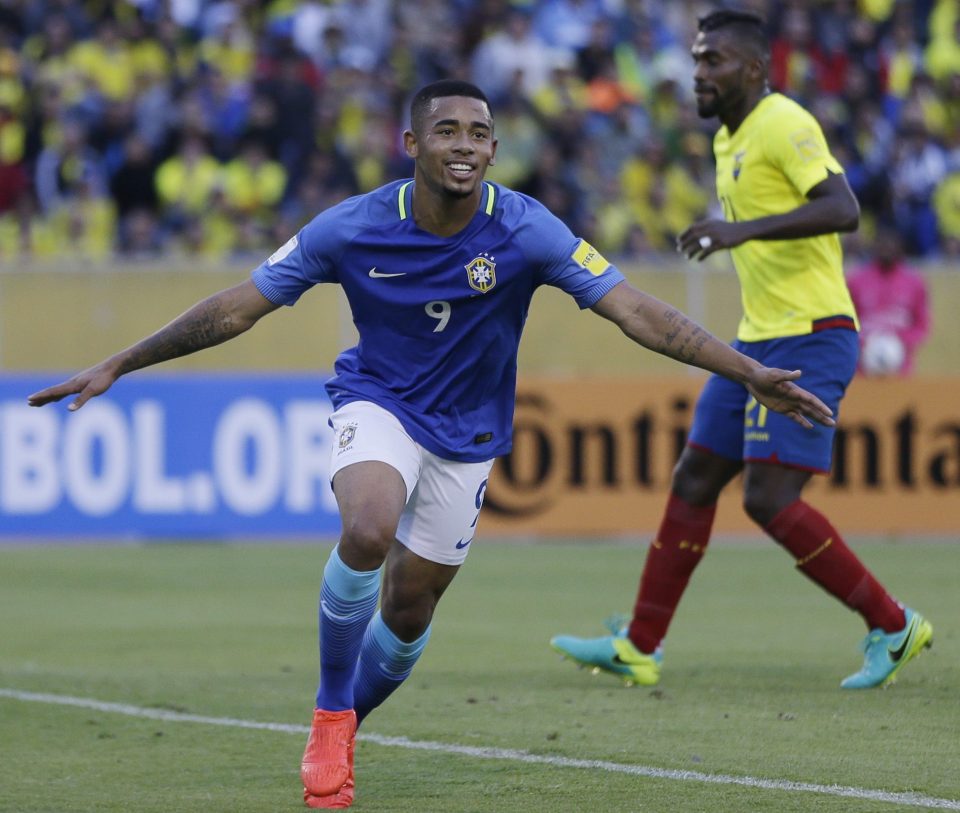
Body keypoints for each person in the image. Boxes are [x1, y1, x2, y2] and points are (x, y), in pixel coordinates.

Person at [28, 80, 835, 809]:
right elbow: (239, 307)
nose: (466, 145)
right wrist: (122, 361)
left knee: (409, 611)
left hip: (468, 435)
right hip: (378, 401)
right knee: (368, 526)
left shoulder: (525, 227)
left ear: (493, 148)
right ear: (410, 145)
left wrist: (746, 370)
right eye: (446, 130)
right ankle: (329, 713)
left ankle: (345, 715)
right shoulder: (349, 227)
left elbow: (637, 312)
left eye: (480, 133)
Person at [550, 11, 933, 692]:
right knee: (695, 476)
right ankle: (639, 644)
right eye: (697, 60)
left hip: (813, 332)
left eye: (714, 61)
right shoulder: (729, 138)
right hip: (757, 337)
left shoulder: (784, 121)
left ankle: (894, 623)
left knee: (770, 499)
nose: (699, 72)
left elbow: (843, 207)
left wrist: (738, 231)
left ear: (755, 69)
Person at [847, 227, 930, 377]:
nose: (887, 249)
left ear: (899, 247)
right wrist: (864, 342)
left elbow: (921, 324)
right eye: (882, 244)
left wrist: (900, 342)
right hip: (863, 367)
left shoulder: (914, 282)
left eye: (891, 245)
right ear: (874, 246)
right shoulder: (857, 280)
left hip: (901, 367)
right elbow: (847, 321)